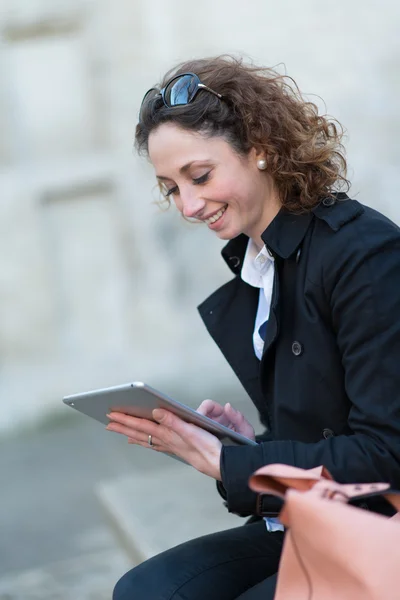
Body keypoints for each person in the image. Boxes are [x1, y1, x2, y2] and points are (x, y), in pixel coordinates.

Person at [108, 56, 400, 599]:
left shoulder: (364, 255)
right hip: (317, 515)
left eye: (200, 176)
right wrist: (246, 443)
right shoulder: (259, 263)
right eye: (171, 187)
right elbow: (324, 428)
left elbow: (388, 455)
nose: (189, 205)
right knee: (146, 591)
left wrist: (234, 463)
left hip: (381, 524)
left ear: (260, 146)